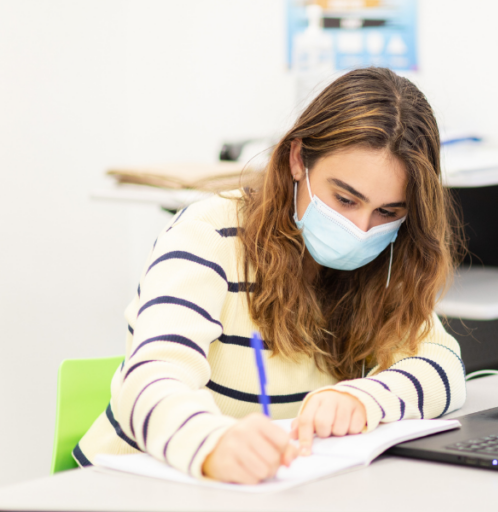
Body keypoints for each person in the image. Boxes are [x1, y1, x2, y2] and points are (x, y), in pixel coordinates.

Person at [76, 68, 466, 484]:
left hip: (266, 490)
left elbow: (444, 366)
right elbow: (149, 381)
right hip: (135, 485)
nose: (362, 228)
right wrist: (212, 445)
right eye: (345, 198)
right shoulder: (209, 234)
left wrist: (365, 397)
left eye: (388, 212)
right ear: (299, 159)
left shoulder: (387, 259)